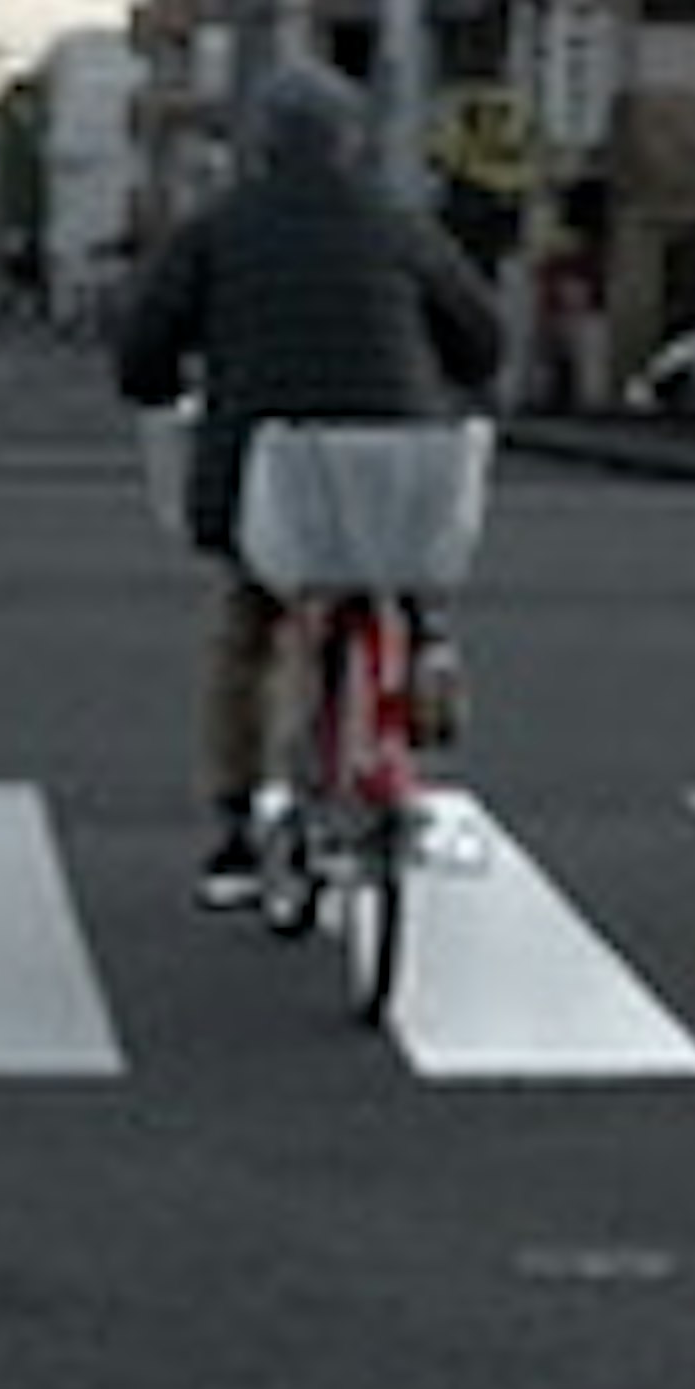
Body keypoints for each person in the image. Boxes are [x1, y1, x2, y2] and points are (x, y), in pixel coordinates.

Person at [113, 54, 504, 900]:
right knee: (403, 587)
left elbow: (143, 350)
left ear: (258, 145)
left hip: (272, 477)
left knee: (250, 627)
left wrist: (159, 384)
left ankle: (233, 825)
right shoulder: (398, 223)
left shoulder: (218, 228)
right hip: (404, 474)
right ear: (350, 143)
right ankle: (424, 668)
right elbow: (482, 337)